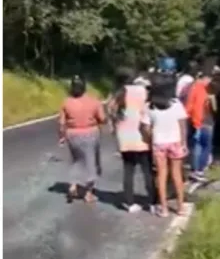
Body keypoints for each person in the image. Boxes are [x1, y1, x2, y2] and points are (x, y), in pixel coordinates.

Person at [113, 68, 156, 213]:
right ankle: (152, 202)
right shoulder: (142, 92)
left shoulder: (118, 93)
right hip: (141, 135)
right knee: (147, 171)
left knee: (128, 170)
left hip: (124, 137)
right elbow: (149, 110)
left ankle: (129, 203)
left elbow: (111, 111)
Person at [58, 76, 107, 204]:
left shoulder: (66, 102)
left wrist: (62, 137)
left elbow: (62, 123)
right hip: (90, 133)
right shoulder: (94, 101)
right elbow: (102, 118)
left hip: (72, 134)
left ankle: (73, 184)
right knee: (91, 163)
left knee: (76, 160)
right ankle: (88, 193)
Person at [141, 87, 189, 217]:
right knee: (177, 174)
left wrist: (152, 137)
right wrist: (184, 142)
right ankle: (180, 207)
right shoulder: (176, 104)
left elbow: (145, 128)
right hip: (175, 142)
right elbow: (183, 124)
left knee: (161, 175)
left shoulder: (149, 107)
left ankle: (164, 208)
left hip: (159, 142)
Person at [184, 66, 217, 182]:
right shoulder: (200, 89)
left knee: (196, 146)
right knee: (205, 146)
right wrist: (198, 124)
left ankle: (194, 169)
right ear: (206, 78)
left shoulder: (191, 86)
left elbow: (189, 106)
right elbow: (198, 108)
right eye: (209, 79)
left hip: (192, 120)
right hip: (203, 122)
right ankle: (199, 171)